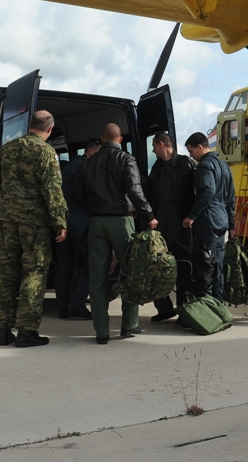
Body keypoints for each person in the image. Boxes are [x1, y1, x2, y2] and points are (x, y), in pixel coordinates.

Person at [0, 110, 68, 348]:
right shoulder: (46, 152)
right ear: (49, 129)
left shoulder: (8, 149)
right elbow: (52, 190)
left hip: (8, 222)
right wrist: (60, 222)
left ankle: (3, 330)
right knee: (34, 273)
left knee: (8, 273)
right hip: (34, 225)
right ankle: (27, 331)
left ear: (30, 124)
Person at [79, 123, 157, 344]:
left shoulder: (88, 163)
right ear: (120, 139)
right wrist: (148, 214)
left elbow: (78, 194)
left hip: (96, 222)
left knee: (97, 276)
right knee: (130, 271)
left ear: (102, 140)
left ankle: (101, 332)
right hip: (122, 221)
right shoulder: (126, 159)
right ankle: (129, 325)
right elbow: (134, 188)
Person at [145, 132, 196, 321]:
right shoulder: (157, 167)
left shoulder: (185, 164)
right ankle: (164, 309)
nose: (152, 150)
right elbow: (149, 191)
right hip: (161, 228)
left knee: (183, 269)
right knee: (157, 268)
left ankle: (184, 311)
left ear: (161, 144)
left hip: (180, 227)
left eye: (154, 146)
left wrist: (191, 218)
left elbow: (194, 193)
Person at [184, 132, 236, 301]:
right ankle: (218, 304)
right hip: (221, 221)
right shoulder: (224, 166)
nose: (191, 155)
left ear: (200, 147)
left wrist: (191, 216)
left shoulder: (204, 166)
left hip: (208, 222)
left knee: (206, 266)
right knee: (218, 266)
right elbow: (230, 198)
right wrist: (232, 224)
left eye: (191, 151)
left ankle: (207, 307)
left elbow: (207, 191)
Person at [54, 142, 99, 320]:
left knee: (63, 264)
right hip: (80, 221)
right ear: (89, 151)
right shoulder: (85, 166)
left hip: (63, 220)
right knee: (82, 264)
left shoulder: (67, 168)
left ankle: (62, 306)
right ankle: (77, 305)